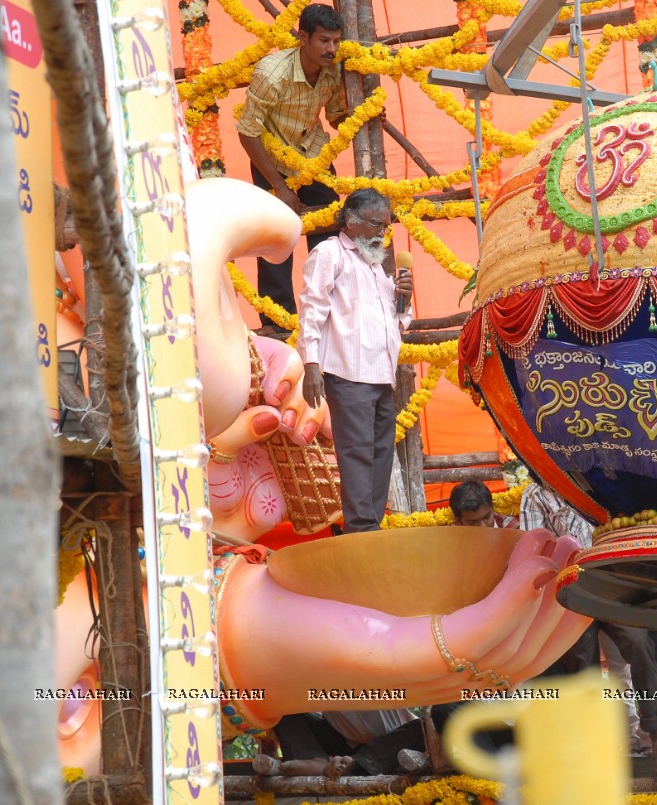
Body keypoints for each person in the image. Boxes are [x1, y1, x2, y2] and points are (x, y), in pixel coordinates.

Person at [518, 483, 657, 769]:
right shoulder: (535, 494)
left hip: (611, 582)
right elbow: (536, 552)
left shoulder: (594, 480)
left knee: (639, 643)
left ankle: (656, 733)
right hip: (568, 588)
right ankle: (593, 745)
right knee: (583, 662)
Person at [298, 189, 413, 534]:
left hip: (381, 374)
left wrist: (403, 301)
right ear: (351, 220)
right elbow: (312, 308)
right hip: (348, 373)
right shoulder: (330, 253)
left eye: (387, 226)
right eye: (377, 224)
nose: (382, 233)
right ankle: (361, 529)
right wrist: (311, 365)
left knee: (380, 453)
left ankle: (369, 525)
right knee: (358, 452)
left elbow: (398, 324)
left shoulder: (376, 265)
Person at [237, 3, 348, 336]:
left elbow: (337, 116)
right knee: (275, 238)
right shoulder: (272, 73)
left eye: (336, 41)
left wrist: (365, 118)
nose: (331, 49)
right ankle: (277, 322)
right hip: (270, 159)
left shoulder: (335, 69)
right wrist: (280, 187)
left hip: (313, 153)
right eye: (324, 41)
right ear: (303, 37)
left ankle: (330, 313)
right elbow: (247, 132)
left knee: (332, 230)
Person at [254, 708, 429, 777]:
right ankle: (314, 760)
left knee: (427, 724)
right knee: (286, 709)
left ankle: (354, 763)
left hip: (395, 748)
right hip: (347, 743)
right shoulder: (309, 669)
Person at [449, 479, 519, 528]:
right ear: (459, 522)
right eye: (473, 522)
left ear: (492, 509)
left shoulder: (512, 529)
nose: (483, 526)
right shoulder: (448, 539)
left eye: (487, 517)